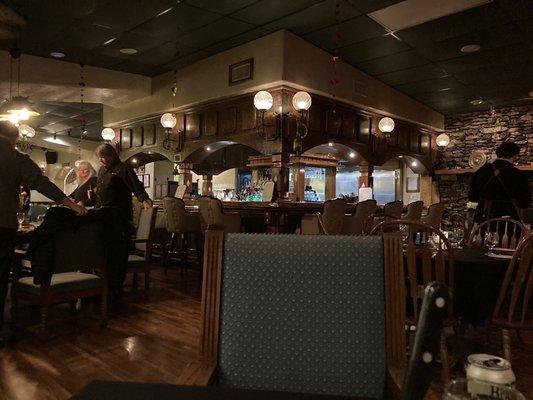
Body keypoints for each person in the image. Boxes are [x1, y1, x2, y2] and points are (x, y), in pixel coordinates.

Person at [0, 121, 87, 347]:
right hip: (2, 224)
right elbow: (41, 183)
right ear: (15, 138)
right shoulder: (17, 158)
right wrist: (70, 204)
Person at [94, 143, 152, 306]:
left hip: (118, 220)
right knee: (104, 255)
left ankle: (115, 292)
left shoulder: (123, 168)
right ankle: (103, 289)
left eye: (103, 157)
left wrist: (144, 200)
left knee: (117, 258)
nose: (101, 160)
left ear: (112, 155)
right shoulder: (101, 170)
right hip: (103, 218)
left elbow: (136, 186)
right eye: (100, 157)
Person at [469, 141, 531, 222]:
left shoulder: (480, 171)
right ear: (514, 155)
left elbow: (472, 197)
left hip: (483, 220)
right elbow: (524, 203)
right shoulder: (518, 175)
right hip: (508, 222)